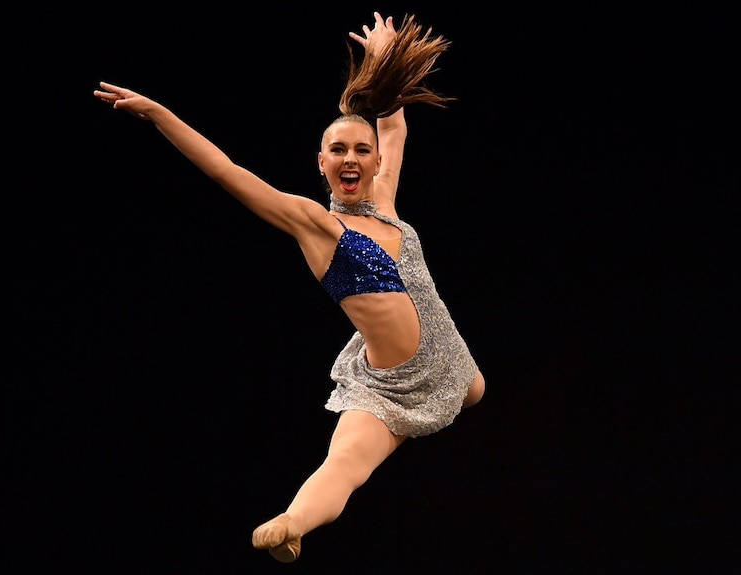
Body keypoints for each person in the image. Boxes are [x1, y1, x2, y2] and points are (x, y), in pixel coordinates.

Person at [93, 11, 485, 563]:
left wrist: (383, 57)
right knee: (346, 462)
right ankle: (292, 524)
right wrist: (160, 114)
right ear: (321, 162)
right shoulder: (316, 224)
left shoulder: (388, 205)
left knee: (474, 390)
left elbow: (393, 124)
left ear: (373, 163)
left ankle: (303, 515)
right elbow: (229, 171)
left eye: (360, 150)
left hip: (449, 356)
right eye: (339, 151)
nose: (352, 159)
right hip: (391, 384)